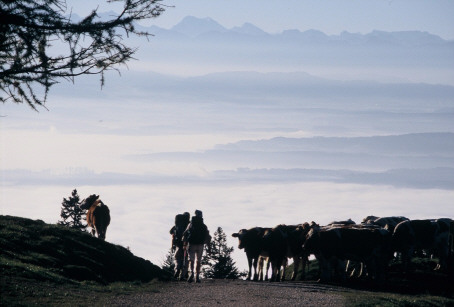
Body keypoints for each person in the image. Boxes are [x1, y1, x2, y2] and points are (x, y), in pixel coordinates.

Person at [183, 210, 211, 283]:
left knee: (191, 260)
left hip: (191, 244)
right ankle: (197, 276)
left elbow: (185, 233)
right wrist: (208, 247)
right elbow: (207, 236)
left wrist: (184, 244)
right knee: (198, 260)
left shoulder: (190, 224)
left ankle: (191, 273)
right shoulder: (204, 226)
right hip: (200, 245)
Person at [169, 212, 190, 280]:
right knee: (186, 259)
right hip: (187, 244)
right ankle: (183, 274)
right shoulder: (189, 224)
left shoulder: (177, 224)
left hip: (178, 243)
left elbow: (171, 232)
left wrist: (173, 245)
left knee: (177, 258)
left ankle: (177, 269)